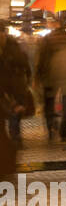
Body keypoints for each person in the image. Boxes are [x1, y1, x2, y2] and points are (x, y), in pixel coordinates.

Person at [0, 22, 35, 185]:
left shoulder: (11, 51)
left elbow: (14, 79)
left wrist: (16, 101)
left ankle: (5, 167)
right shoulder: (12, 49)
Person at [35, 19, 66, 142]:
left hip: (50, 76)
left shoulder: (47, 39)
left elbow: (41, 59)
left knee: (49, 103)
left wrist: (37, 76)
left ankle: (50, 127)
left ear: (55, 25)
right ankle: (64, 131)